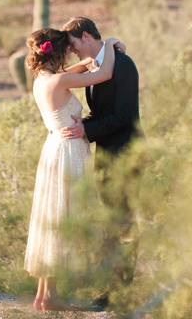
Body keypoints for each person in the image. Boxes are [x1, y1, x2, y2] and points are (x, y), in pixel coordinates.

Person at [23, 27, 120, 311]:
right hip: (67, 153)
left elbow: (79, 70)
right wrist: (110, 45)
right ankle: (50, 296)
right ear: (58, 51)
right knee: (62, 216)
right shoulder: (60, 80)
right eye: (67, 49)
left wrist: (89, 60)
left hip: (54, 148)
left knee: (52, 214)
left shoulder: (43, 80)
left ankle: (44, 294)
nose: (70, 53)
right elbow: (105, 75)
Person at [60, 16, 141, 308]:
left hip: (126, 154)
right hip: (107, 154)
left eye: (73, 45)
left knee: (122, 222)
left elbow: (125, 115)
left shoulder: (123, 64)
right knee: (113, 222)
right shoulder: (97, 66)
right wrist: (84, 124)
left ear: (85, 37)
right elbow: (104, 112)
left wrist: (87, 130)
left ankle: (120, 293)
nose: (72, 52)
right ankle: (114, 290)